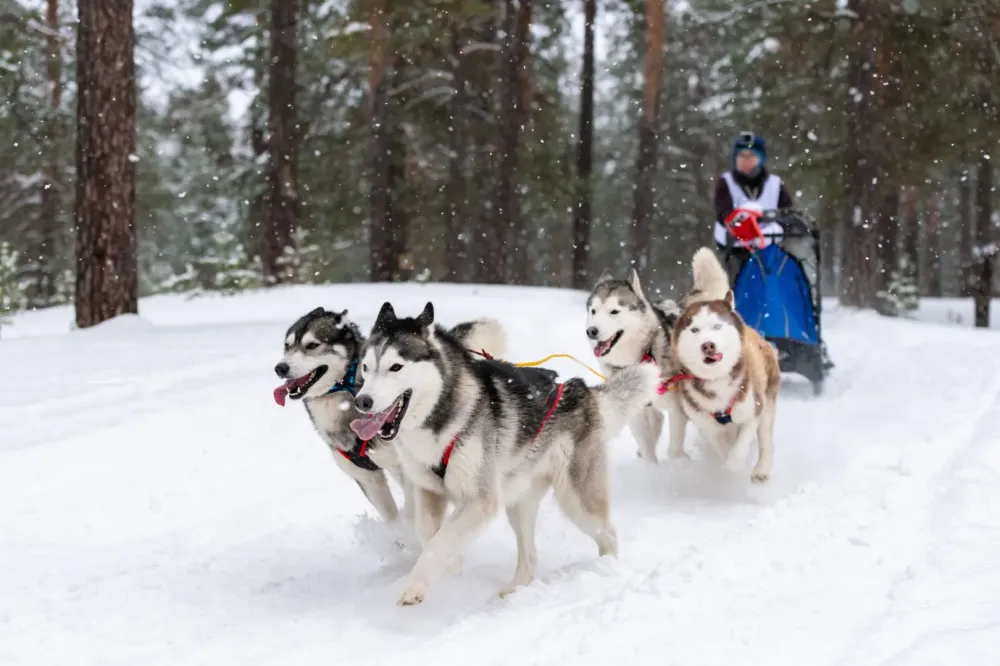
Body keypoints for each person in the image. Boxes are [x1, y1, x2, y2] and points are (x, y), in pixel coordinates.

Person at [713, 132, 793, 279]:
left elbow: (788, 215)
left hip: (772, 251)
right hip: (734, 251)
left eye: (751, 156)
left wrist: (775, 231)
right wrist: (744, 227)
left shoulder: (776, 184)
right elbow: (723, 213)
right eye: (741, 156)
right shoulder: (726, 182)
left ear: (760, 159)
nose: (746, 161)